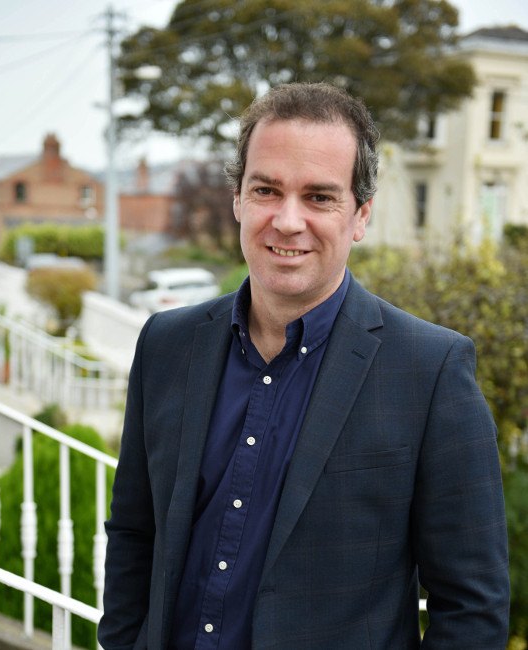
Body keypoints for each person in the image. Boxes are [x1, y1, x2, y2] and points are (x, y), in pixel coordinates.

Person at [98, 82, 510, 649]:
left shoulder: (430, 371)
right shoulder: (167, 344)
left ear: (360, 215)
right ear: (238, 199)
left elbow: (473, 607)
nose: (288, 221)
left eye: (319, 197)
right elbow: (134, 533)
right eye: (267, 190)